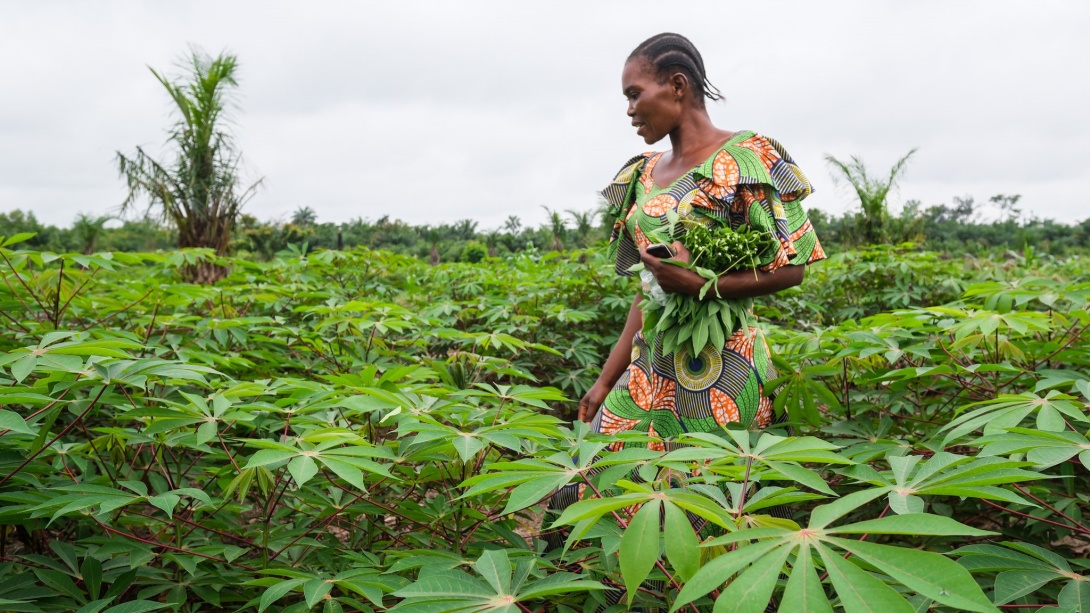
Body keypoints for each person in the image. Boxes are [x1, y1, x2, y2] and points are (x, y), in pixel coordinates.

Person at [578, 31, 827, 455]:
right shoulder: (643, 173)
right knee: (597, 478)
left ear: (677, 86)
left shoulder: (747, 157)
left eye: (636, 94)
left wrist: (700, 285)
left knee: (711, 496)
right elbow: (651, 288)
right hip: (651, 366)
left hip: (724, 366)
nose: (630, 110)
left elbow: (794, 267)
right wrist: (604, 381)